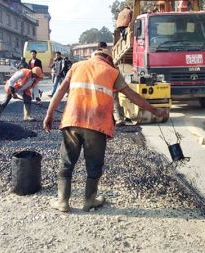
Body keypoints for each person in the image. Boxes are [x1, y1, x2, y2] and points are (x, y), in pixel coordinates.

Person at [43, 48, 167, 212]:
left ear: (93, 56)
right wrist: (155, 111)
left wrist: (49, 114)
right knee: (94, 164)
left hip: (72, 120)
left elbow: (60, 91)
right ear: (108, 59)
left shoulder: (77, 66)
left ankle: (63, 202)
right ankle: (89, 200)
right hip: (97, 124)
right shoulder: (112, 72)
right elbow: (132, 96)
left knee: (66, 162)